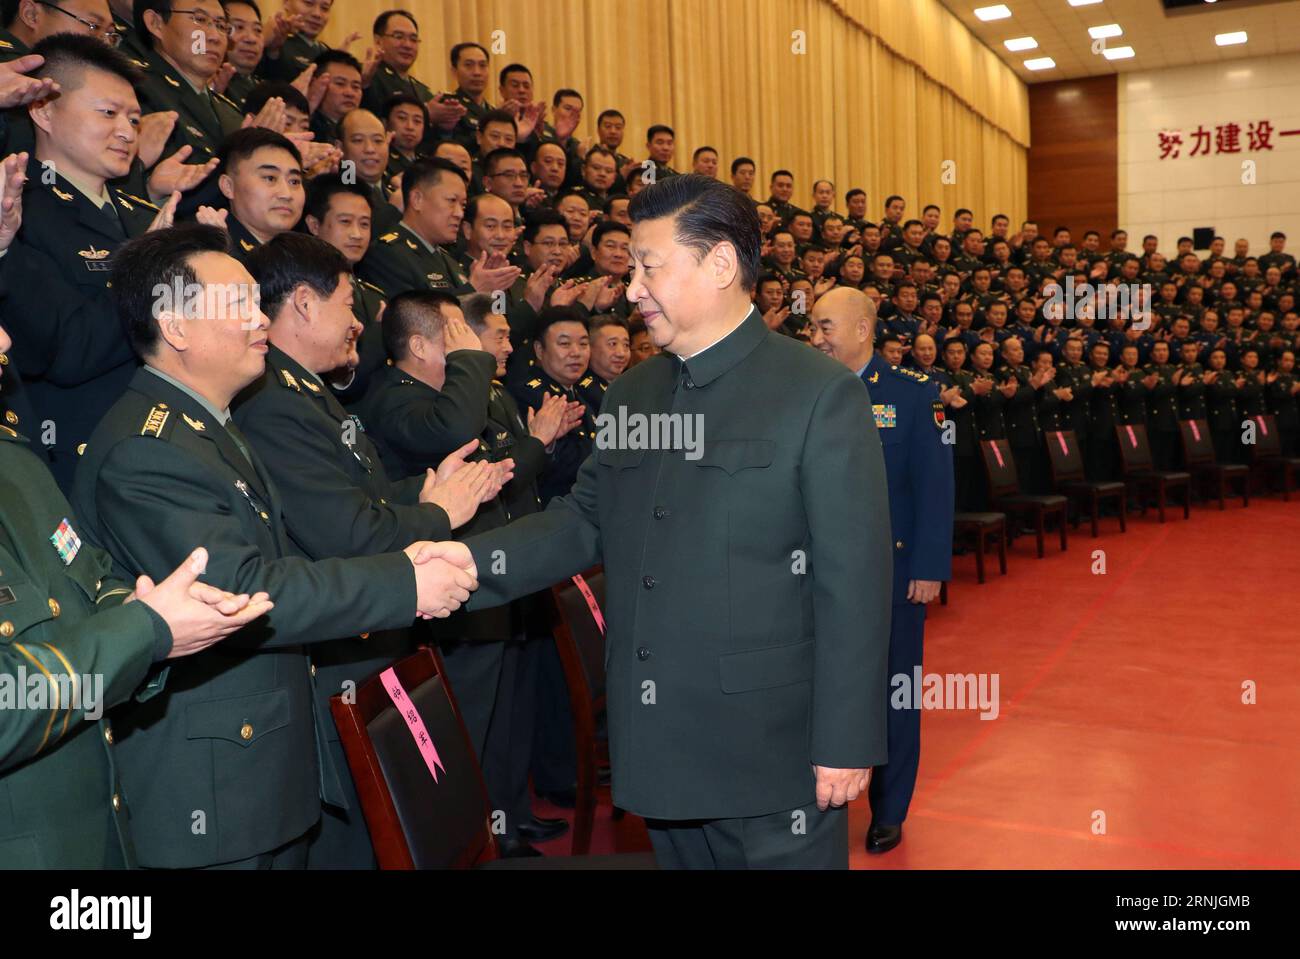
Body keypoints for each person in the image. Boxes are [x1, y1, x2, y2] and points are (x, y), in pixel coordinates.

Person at [453, 174, 892, 869]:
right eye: (631, 269)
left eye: (649, 266)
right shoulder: (637, 390)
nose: (631, 290)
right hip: (660, 747)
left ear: (719, 264)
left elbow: (855, 581)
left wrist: (846, 739)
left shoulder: (817, 394)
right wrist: (463, 565)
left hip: (771, 757)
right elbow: (582, 520)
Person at [70, 224, 479, 869]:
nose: (262, 317)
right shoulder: (148, 450)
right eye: (240, 305)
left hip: (259, 762)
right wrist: (405, 580)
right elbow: (247, 590)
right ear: (176, 328)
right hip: (214, 788)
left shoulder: (205, 425)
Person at [235, 234, 505, 867]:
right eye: (349, 301)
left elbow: (366, 496)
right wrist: (442, 511)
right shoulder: (276, 403)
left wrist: (425, 490)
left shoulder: (306, 391)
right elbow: (352, 534)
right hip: (337, 651)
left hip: (365, 640)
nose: (359, 322)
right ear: (304, 304)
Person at [0, 315, 274, 868]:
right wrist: (145, 630)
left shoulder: (15, 460)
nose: (6, 340)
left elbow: (90, 575)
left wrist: (139, 609)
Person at [809, 287, 951, 854]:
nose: (816, 337)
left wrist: (929, 565)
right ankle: (818, 798)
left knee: (895, 693)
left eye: (825, 326)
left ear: (862, 330)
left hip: (892, 575)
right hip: (813, 574)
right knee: (817, 689)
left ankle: (889, 809)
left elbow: (936, 486)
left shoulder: (913, 396)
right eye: (814, 327)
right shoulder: (802, 388)